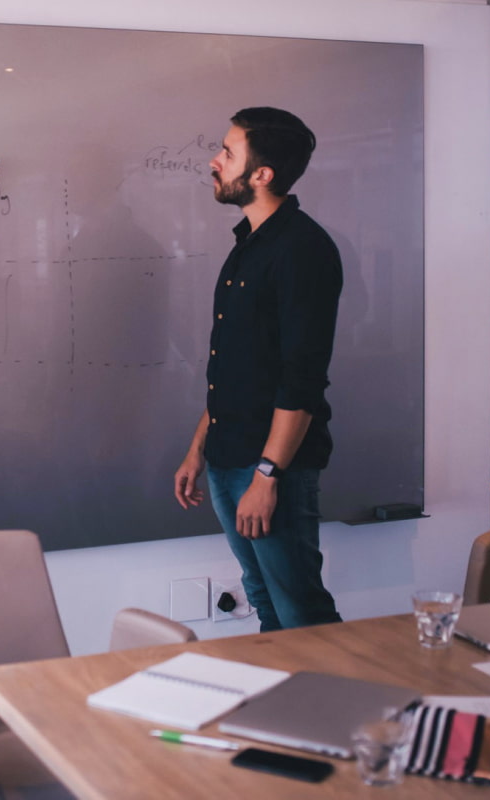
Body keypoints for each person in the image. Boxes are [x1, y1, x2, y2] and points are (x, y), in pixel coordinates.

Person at [173, 107, 342, 632]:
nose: (214, 161)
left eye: (228, 152)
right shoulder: (247, 246)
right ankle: (281, 709)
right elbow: (235, 366)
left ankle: (333, 711)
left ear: (261, 174)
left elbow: (302, 378)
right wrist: (197, 449)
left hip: (269, 469)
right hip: (227, 458)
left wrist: (268, 476)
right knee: (265, 601)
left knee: (301, 613)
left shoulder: (303, 250)